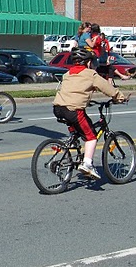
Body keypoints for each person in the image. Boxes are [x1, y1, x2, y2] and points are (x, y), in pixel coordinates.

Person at [52, 47, 128, 179]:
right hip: (74, 109)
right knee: (91, 136)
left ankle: (73, 152)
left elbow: (74, 91)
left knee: (77, 130)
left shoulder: (68, 73)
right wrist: (120, 97)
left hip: (58, 108)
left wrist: (87, 101)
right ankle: (87, 163)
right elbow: (108, 88)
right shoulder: (90, 74)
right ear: (87, 62)